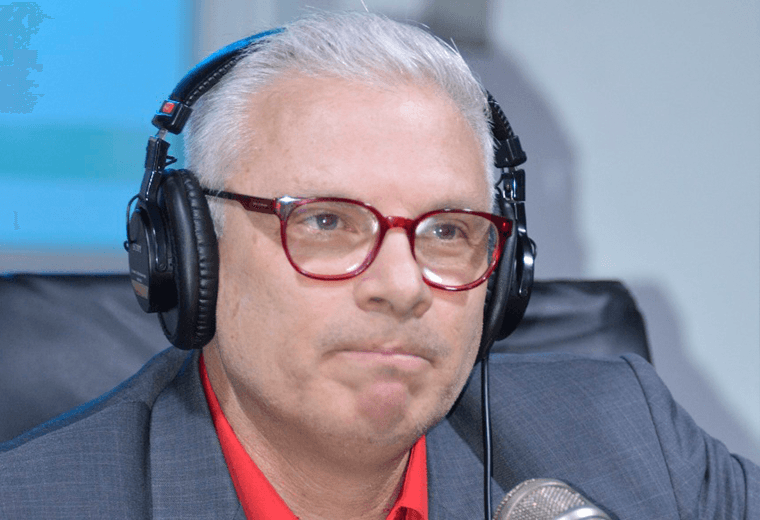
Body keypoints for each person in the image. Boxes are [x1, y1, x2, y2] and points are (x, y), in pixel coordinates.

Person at [0, 10, 758, 520]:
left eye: (449, 231)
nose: (402, 287)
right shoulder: (37, 502)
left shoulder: (633, 443)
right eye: (326, 222)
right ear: (193, 252)